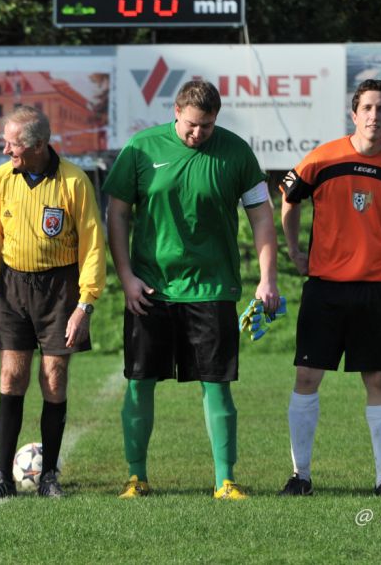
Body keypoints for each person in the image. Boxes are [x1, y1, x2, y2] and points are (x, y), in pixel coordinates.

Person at [103, 80, 279, 500]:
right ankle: (136, 477)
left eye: (207, 126)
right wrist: (126, 277)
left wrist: (267, 277)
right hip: (150, 289)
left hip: (213, 288)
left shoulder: (236, 152)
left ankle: (225, 481)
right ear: (177, 112)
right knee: (140, 382)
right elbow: (117, 214)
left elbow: (261, 217)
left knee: (217, 384)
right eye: (192, 125)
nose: (198, 133)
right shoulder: (141, 148)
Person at [277, 79, 381, 497]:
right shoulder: (324, 157)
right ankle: (300, 476)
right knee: (307, 376)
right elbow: (289, 198)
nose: (374, 116)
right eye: (367, 108)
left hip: (376, 291)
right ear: (354, 113)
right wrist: (294, 250)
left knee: (378, 381)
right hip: (325, 289)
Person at [0, 105, 106, 498]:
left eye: (12, 144)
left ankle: (48, 476)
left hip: (59, 290)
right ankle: (2, 476)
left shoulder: (74, 182)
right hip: (12, 287)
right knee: (10, 377)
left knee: (54, 378)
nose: (5, 151)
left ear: (37, 146)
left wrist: (85, 304)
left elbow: (92, 246)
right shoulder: (2, 178)